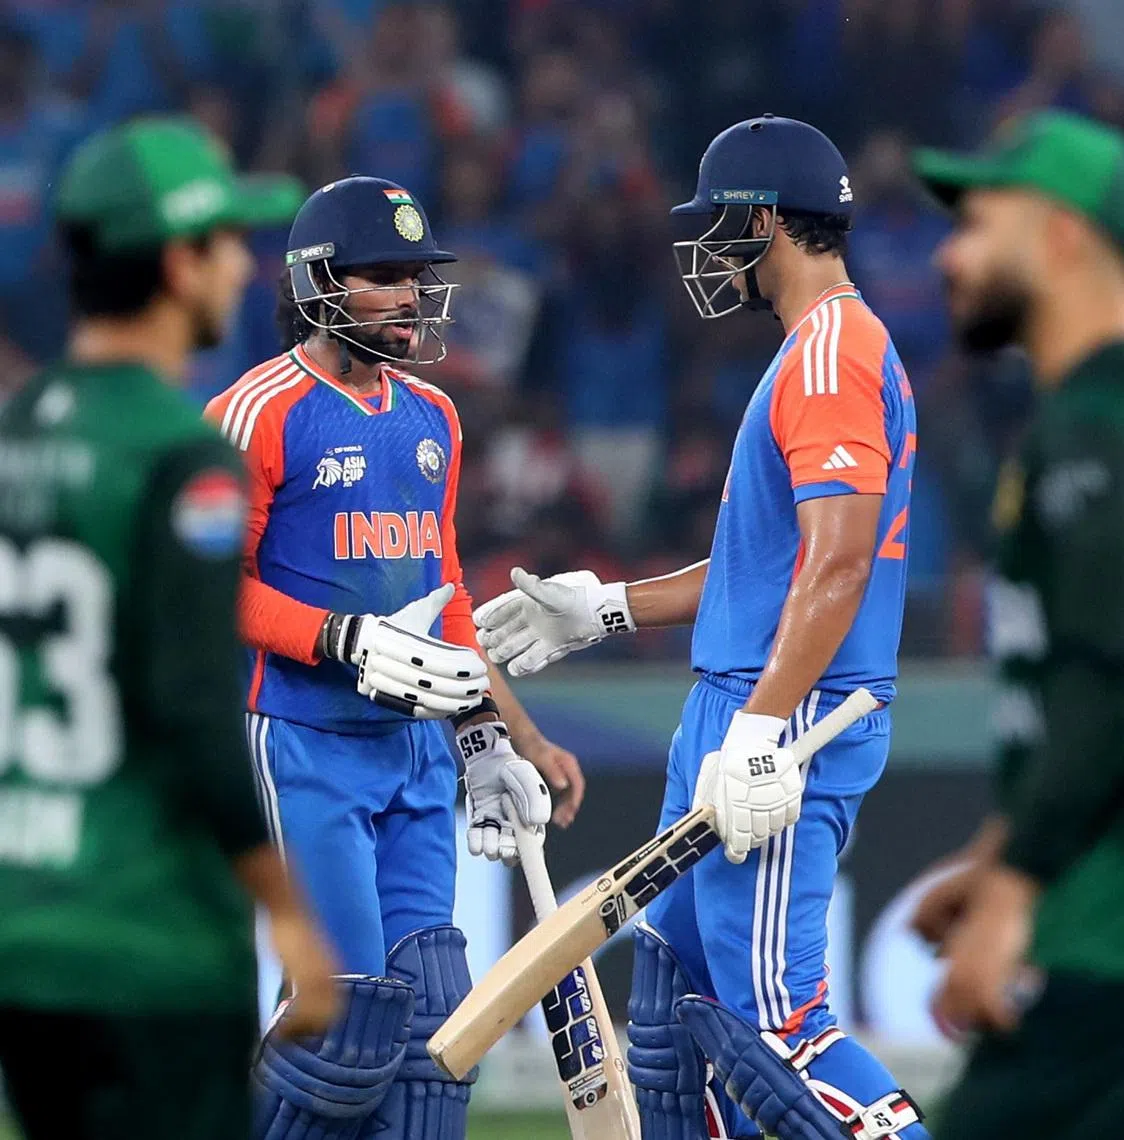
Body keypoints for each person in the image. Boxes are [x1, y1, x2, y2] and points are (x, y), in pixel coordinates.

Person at [476, 115, 928, 1140]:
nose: (709, 247)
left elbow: (842, 562)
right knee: (673, 1016)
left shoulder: (829, 353)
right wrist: (609, 605)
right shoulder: (815, 352)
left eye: (720, 223)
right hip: (745, 702)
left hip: (790, 712)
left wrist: (763, 729)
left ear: (767, 219)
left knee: (775, 1027)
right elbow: (769, 567)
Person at [204, 174, 585, 1140]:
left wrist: (497, 738)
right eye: (386, 277)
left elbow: (445, 586)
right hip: (305, 742)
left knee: (436, 1041)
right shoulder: (260, 410)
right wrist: (340, 639)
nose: (413, 296)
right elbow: (212, 587)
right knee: (348, 1029)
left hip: (414, 754)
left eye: (417, 276)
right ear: (321, 284)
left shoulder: (436, 417)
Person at [0, 117, 339, 1140]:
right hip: (153, 942)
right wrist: (284, 905)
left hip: (26, 934)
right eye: (228, 243)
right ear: (179, 262)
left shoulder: (16, 430)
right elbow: (193, 707)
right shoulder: (179, 454)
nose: (244, 267)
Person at [909, 110, 1124, 1139]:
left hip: (1108, 951)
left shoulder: (1105, 430)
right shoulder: (1086, 420)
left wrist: (1015, 890)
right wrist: (999, 850)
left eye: (978, 223)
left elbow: (1117, 673)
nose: (949, 252)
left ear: (1060, 235)